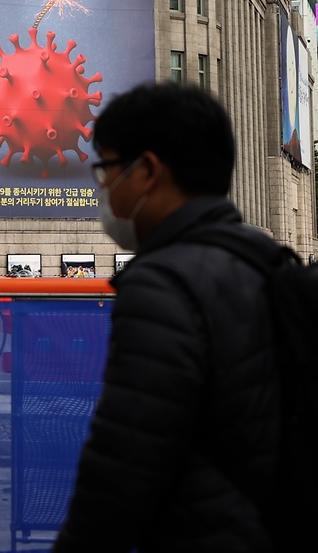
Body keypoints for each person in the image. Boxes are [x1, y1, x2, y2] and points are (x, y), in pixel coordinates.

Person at [54, 83, 281, 553]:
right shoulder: (265, 258)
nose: (103, 188)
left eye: (107, 170)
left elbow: (123, 467)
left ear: (148, 172)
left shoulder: (162, 285)